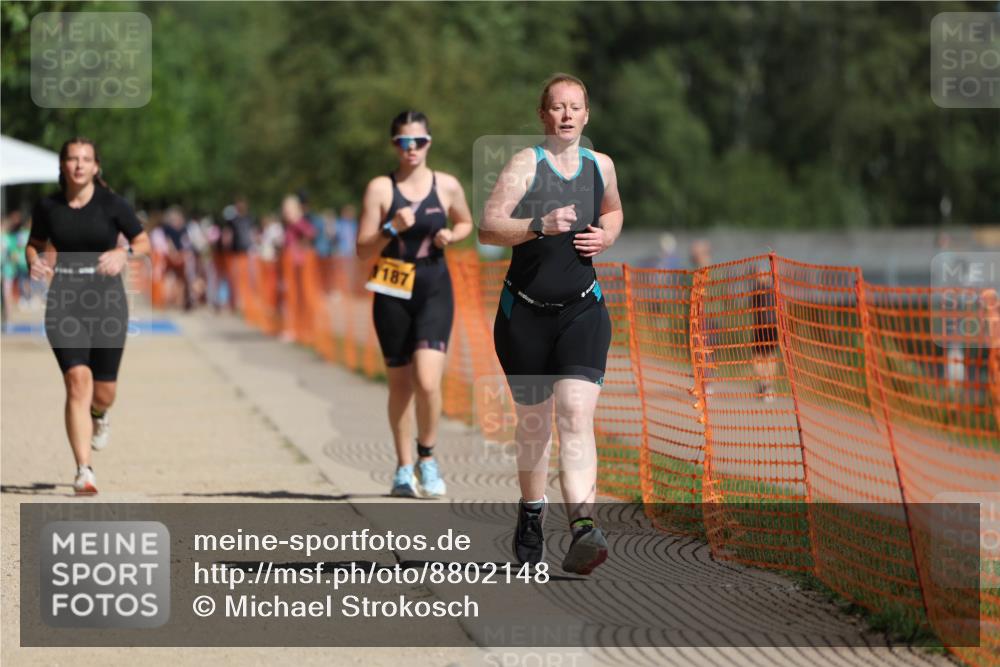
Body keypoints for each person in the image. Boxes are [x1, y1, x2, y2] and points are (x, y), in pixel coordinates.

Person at [480, 74, 623, 575]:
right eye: (557, 107)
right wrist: (539, 224)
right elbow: (490, 225)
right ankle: (532, 512)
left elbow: (614, 210)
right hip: (524, 317)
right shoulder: (526, 165)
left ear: (587, 115)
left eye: (575, 107)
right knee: (535, 426)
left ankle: (584, 526)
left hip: (583, 310)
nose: (566, 114)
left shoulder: (599, 165)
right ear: (543, 115)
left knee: (574, 413)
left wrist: (605, 237)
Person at [356, 110, 473, 498]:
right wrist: (392, 228)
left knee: (427, 379)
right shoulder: (380, 189)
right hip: (391, 287)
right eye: (405, 142)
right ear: (394, 145)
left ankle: (428, 456)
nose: (412, 149)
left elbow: (466, 223)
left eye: (419, 142)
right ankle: (404, 468)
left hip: (434, 285)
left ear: (429, 143)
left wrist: (452, 235)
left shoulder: (448, 185)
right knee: (401, 385)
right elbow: (361, 249)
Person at [25, 137, 150, 495]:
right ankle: (84, 470)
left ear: (96, 167)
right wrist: (34, 261)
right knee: (77, 380)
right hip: (64, 302)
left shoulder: (113, 205)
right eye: (72, 159)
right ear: (63, 166)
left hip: (108, 304)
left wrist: (123, 253)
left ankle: (100, 415)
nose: (79, 165)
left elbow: (143, 243)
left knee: (104, 391)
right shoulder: (48, 207)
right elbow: (34, 243)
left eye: (86, 159)